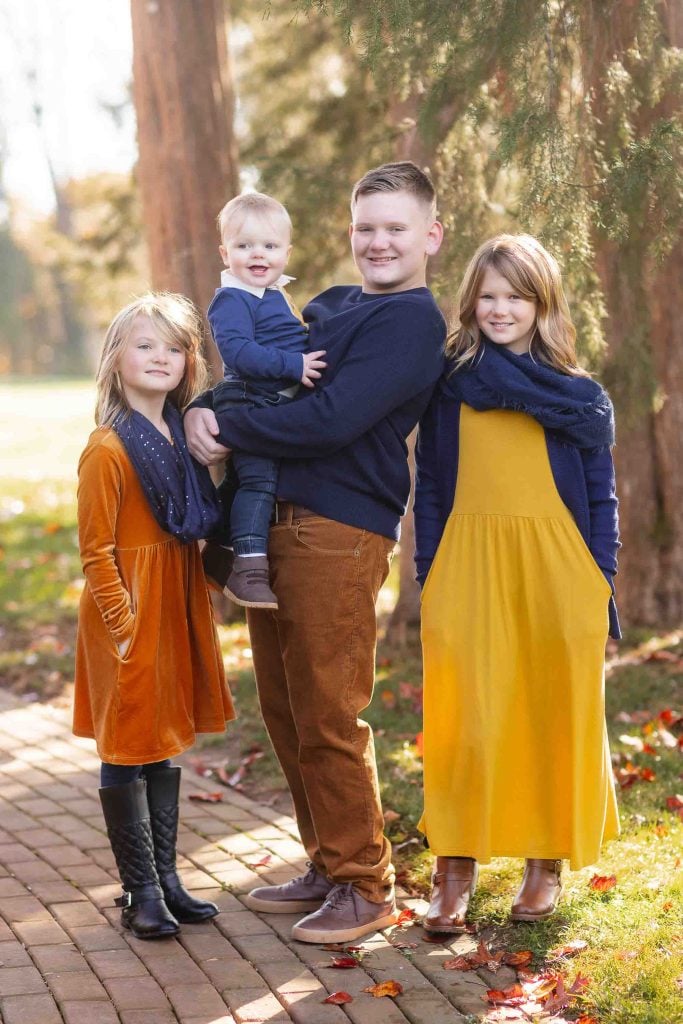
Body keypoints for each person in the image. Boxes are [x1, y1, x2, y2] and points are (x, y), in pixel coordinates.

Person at [185, 162, 447, 943]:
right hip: (268, 527)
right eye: (365, 227)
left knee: (329, 712)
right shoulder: (328, 306)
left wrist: (225, 430)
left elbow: (329, 417)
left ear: (429, 235)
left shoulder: (411, 324)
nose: (376, 242)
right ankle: (327, 862)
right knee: (285, 707)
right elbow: (261, 381)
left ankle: (365, 883)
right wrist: (205, 404)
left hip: (337, 528)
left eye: (394, 228)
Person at [414, 234, 620, 932]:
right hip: (467, 561)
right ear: (470, 301)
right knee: (463, 717)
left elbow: (600, 493)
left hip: (559, 565)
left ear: (542, 305)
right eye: (489, 295)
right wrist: (429, 574)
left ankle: (543, 862)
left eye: (516, 297)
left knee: (547, 710)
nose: (500, 309)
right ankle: (454, 867)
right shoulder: (449, 387)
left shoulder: (576, 396)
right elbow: (432, 486)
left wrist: (601, 579)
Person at [73, 293, 235, 940]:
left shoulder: (182, 435)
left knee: (164, 737)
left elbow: (198, 518)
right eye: (146, 345)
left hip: (175, 600)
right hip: (130, 610)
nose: (160, 357)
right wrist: (123, 621)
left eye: (173, 348)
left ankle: (167, 878)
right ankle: (138, 888)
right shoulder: (108, 449)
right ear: (116, 360)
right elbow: (95, 551)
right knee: (128, 745)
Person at [207, 192, 327, 609]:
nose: (258, 254)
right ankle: (249, 568)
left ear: (287, 252)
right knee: (260, 481)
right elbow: (238, 352)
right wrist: (293, 365)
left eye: (270, 246)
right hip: (249, 400)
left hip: (268, 399)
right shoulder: (232, 299)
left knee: (242, 480)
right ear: (225, 253)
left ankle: (217, 550)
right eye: (244, 246)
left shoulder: (272, 294)